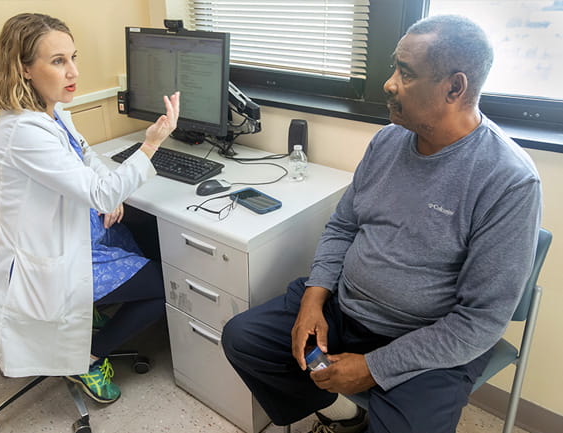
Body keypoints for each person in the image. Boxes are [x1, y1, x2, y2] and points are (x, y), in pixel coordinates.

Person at [221, 15, 541, 433]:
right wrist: (314, 299)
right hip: (347, 308)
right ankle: (341, 413)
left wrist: (374, 367)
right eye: (394, 68)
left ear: (455, 87)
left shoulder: (508, 180)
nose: (389, 83)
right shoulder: (388, 140)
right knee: (244, 340)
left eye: (405, 73)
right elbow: (343, 226)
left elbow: (479, 321)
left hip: (428, 341)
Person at [0, 13, 180, 404]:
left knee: (146, 236)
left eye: (73, 57)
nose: (73, 71)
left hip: (78, 234)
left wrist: (111, 192)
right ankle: (88, 357)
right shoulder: (24, 132)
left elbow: (86, 158)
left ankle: (90, 321)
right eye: (58, 61)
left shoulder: (51, 112)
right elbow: (97, 191)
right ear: (24, 69)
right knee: (163, 285)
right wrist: (151, 144)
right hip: (51, 261)